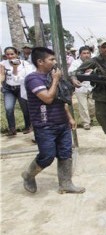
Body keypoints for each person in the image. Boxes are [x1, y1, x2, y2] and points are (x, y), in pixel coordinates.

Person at [21, 47, 85, 194]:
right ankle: (28, 175)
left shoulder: (53, 77)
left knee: (65, 153)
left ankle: (66, 183)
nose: (55, 62)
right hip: (45, 125)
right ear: (40, 62)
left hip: (62, 123)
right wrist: (56, 80)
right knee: (47, 156)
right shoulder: (33, 79)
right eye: (51, 59)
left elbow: (61, 99)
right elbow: (48, 98)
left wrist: (69, 117)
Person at [1, 46, 33, 136]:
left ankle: (28, 126)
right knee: (8, 108)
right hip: (9, 89)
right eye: (7, 54)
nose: (10, 56)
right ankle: (12, 128)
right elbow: (2, 74)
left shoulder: (24, 63)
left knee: (25, 109)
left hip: (21, 88)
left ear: (17, 54)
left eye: (12, 54)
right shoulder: (3, 63)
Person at [68, 46, 95, 130]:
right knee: (83, 106)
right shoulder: (75, 63)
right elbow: (71, 72)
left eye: (88, 53)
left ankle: (90, 118)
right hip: (80, 87)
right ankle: (86, 123)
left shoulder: (93, 62)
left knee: (92, 106)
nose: (86, 55)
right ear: (80, 54)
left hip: (92, 87)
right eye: (84, 53)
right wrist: (82, 72)